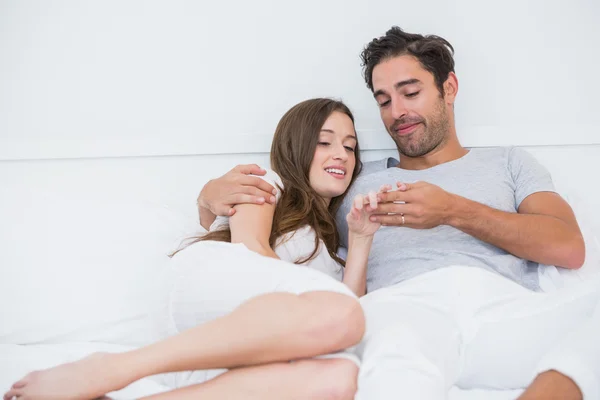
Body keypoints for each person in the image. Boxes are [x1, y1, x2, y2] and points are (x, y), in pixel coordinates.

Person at [196, 27, 600, 399]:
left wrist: (453, 211)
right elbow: (284, 196)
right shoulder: (353, 175)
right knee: (398, 358)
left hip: (501, 307)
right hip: (406, 308)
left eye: (410, 92)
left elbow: (569, 248)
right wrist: (208, 197)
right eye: (384, 100)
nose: (396, 112)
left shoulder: (509, 163)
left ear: (450, 88)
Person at [3, 98, 384, 400]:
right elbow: (248, 252)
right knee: (342, 317)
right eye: (325, 141)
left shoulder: (331, 247)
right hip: (211, 287)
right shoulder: (265, 183)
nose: (342, 155)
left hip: (228, 342)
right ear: (296, 145)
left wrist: (362, 238)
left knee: (339, 379)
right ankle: (113, 367)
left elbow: (342, 311)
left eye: (350, 147)